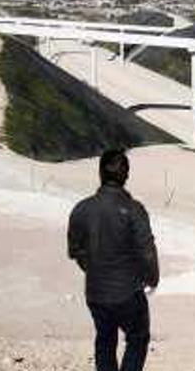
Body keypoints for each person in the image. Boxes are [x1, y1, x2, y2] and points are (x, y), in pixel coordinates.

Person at [68, 148, 159, 371]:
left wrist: (93, 268)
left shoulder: (81, 209)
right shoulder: (134, 210)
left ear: (100, 173)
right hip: (128, 291)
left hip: (96, 292)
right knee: (137, 338)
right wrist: (152, 278)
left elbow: (75, 249)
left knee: (105, 338)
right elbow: (146, 249)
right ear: (126, 175)